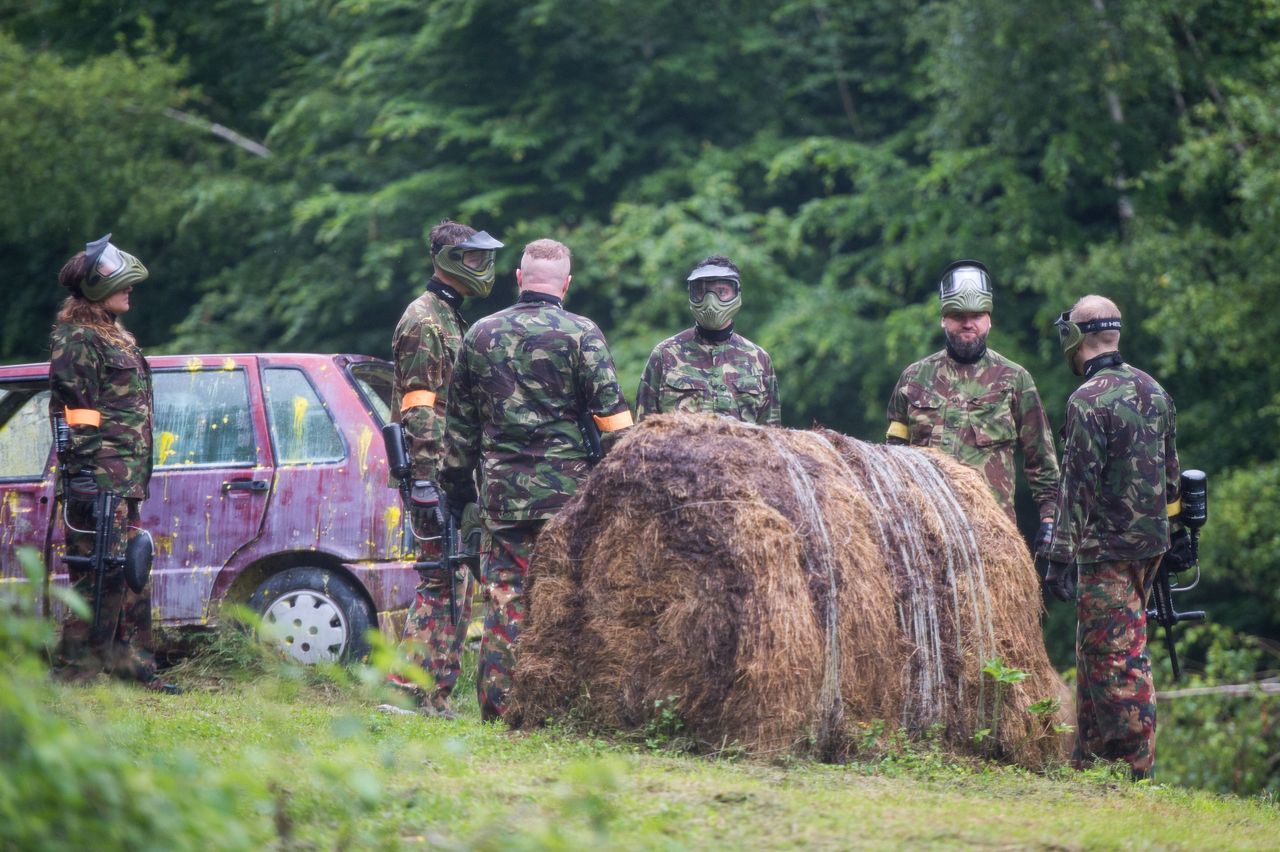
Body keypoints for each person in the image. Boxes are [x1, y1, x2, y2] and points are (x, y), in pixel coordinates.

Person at [440, 238, 633, 721]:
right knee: (568, 595)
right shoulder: (581, 334)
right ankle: (564, 708)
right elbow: (612, 418)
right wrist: (625, 478)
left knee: (505, 597)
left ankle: (499, 708)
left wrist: (459, 488)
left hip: (502, 495)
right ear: (566, 285)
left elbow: (459, 426)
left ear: (519, 279)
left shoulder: (480, 335)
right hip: (569, 498)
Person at [1039, 295, 1188, 780]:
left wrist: (1059, 556)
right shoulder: (1154, 391)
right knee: (1095, 652)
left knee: (1116, 659)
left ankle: (1132, 768)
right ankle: (1091, 763)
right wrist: (1170, 536)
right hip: (1149, 549)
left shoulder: (1087, 401)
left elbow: (1076, 487)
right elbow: (1172, 480)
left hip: (1106, 551)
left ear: (1077, 337)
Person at [48, 234, 175, 692]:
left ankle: (132, 668)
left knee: (129, 569)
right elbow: (76, 411)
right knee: (94, 575)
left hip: (124, 477)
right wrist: (82, 475)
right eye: (123, 284)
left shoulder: (112, 333)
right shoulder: (78, 338)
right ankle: (74, 673)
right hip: (98, 478)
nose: (130, 290)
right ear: (98, 290)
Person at [388, 219, 503, 713]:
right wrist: (423, 479)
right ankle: (409, 690)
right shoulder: (425, 320)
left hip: (449, 471)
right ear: (447, 261)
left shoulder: (450, 316)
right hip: (430, 472)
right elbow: (419, 405)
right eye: (474, 258)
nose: (484, 267)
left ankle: (434, 692)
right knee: (440, 577)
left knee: (456, 579)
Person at [885, 260, 1059, 544]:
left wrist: (1050, 520)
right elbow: (892, 459)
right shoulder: (913, 379)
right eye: (958, 315)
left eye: (976, 315)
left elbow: (1042, 459)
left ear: (989, 319)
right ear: (943, 318)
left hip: (992, 533)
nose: (968, 323)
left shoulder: (1014, 379)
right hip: (925, 531)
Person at [636, 255, 780, 425]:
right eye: (702, 292)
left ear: (736, 294)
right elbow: (643, 432)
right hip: (678, 452)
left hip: (741, 452)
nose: (710, 301)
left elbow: (771, 436)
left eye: (721, 292)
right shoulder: (665, 354)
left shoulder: (759, 359)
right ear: (692, 295)